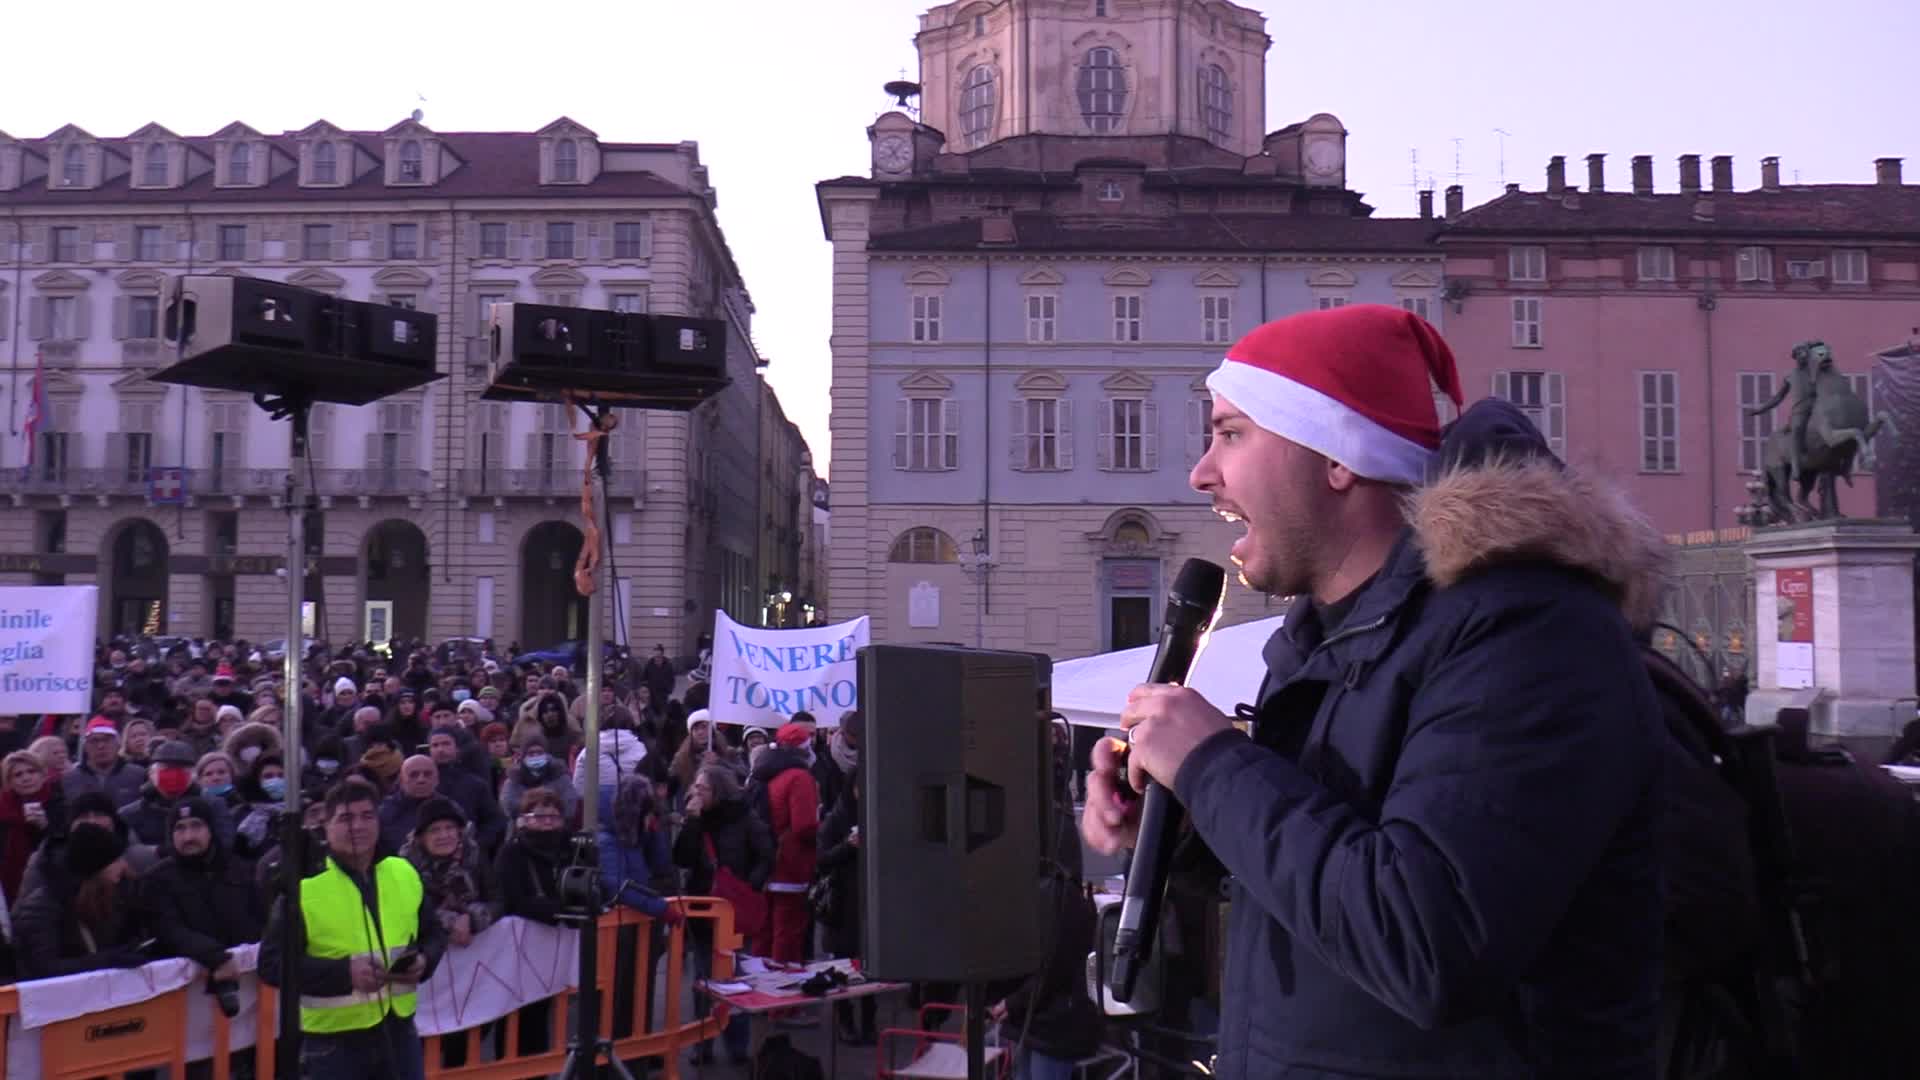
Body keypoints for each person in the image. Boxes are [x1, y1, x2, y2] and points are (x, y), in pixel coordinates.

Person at [1084, 305, 1666, 1078]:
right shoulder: (1325, 645)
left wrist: (1215, 766)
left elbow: (1428, 942)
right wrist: (1192, 824)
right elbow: (1337, 894)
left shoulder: (1529, 634)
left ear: (1338, 457)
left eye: (1231, 433)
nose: (1202, 473)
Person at [259, 778, 446, 1080]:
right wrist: (344, 973)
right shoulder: (303, 886)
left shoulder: (403, 872)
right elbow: (271, 964)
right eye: (346, 818)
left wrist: (425, 961)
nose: (357, 826)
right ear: (326, 825)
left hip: (399, 1031)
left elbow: (434, 933)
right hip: (335, 1044)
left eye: (367, 816)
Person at [139, 798, 266, 1016]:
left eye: (196, 826)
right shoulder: (157, 880)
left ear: (210, 830)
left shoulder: (240, 870)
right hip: (185, 1000)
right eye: (180, 828)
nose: (189, 836)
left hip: (253, 992)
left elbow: (261, 919)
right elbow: (169, 930)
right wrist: (217, 958)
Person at [12, 821, 149, 978]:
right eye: (115, 860)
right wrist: (105, 960)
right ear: (96, 866)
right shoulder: (41, 908)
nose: (123, 865)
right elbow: (44, 969)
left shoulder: (111, 894)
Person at [751, 722, 819, 963]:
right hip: (791, 864)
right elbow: (805, 825)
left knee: (764, 928)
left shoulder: (763, 773)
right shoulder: (799, 777)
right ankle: (784, 989)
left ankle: (760, 985)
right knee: (788, 930)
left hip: (766, 862)